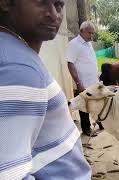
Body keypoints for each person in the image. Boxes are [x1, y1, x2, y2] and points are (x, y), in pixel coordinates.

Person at [0, 0, 91, 179]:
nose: (54, 14)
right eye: (42, 2)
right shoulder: (18, 68)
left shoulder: (17, 55)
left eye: (58, 5)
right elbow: (10, 174)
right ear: (6, 3)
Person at [66, 21, 104, 136]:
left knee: (98, 102)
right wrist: (78, 83)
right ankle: (86, 129)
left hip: (94, 82)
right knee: (84, 107)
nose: (91, 36)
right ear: (81, 31)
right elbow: (70, 64)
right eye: (89, 33)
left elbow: (90, 60)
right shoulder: (74, 44)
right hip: (83, 83)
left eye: (93, 33)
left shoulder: (88, 43)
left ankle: (101, 123)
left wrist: (96, 75)